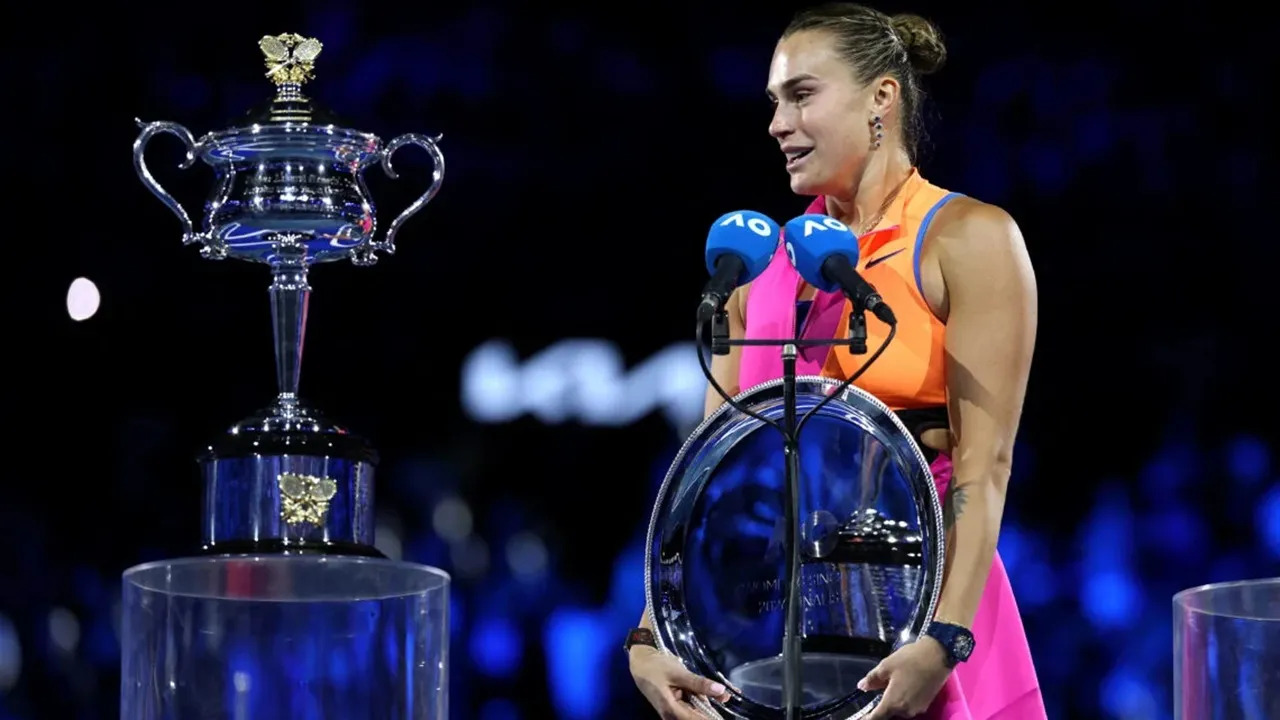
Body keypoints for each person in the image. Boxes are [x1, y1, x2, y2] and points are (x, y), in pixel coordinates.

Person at [627, 3, 1044, 719]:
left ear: (881, 96)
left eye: (801, 95)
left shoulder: (971, 240)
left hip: (928, 619)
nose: (776, 124)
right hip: (774, 638)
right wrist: (650, 633)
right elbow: (710, 487)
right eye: (772, 102)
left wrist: (944, 639)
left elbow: (986, 465)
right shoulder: (756, 270)